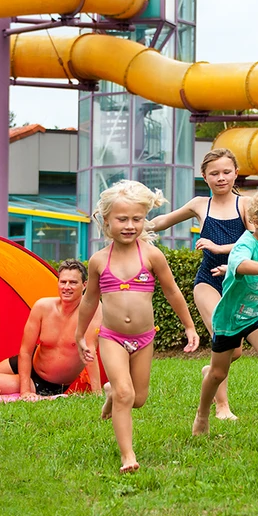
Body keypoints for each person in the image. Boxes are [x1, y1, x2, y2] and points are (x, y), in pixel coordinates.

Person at [76, 180, 200, 473]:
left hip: (144, 338)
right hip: (112, 337)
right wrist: (80, 335)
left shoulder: (152, 256)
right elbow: (89, 299)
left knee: (139, 399)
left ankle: (111, 392)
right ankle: (128, 456)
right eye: (122, 219)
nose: (130, 226)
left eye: (137, 219)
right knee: (126, 394)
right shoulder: (98, 261)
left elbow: (172, 292)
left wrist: (189, 326)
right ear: (107, 220)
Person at [147, 147, 251, 421]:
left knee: (235, 351)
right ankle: (222, 407)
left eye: (226, 172)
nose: (221, 178)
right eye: (214, 173)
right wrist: (137, 225)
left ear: (236, 173)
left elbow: (254, 243)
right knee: (222, 340)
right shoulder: (199, 204)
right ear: (204, 176)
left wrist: (218, 247)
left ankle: (210, 371)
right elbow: (164, 221)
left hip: (237, 283)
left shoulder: (245, 205)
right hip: (208, 282)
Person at [193, 186, 258, 437]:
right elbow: (239, 263)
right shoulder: (246, 242)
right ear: (256, 221)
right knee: (218, 373)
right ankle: (202, 415)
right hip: (230, 317)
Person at [0, 259, 103, 397]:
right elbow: (25, 351)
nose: (67, 287)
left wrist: (97, 395)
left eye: (73, 282)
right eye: (63, 282)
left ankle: (23, 383)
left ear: (84, 285)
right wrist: (25, 391)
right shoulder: (43, 306)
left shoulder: (93, 309)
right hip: (28, 361)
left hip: (45, 382)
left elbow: (90, 351)